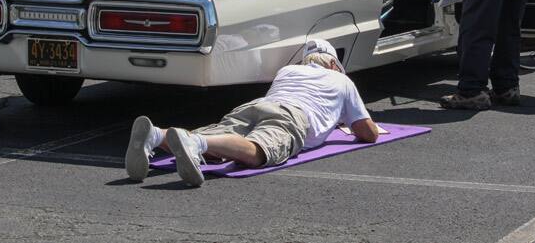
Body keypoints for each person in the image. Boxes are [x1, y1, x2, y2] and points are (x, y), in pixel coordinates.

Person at [124, 38, 379, 186]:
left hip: (257, 105)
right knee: (257, 151)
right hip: (293, 116)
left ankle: (156, 135)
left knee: (220, 139)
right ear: (333, 63)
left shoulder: (288, 71)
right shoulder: (342, 81)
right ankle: (195, 142)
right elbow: (367, 133)